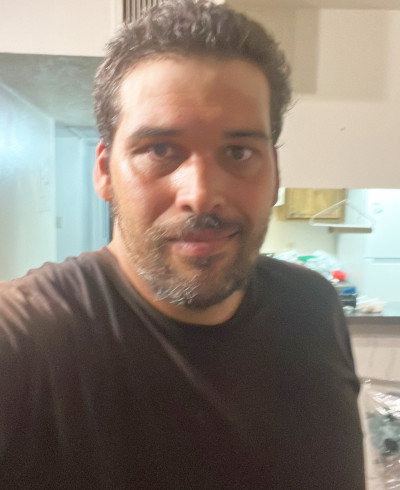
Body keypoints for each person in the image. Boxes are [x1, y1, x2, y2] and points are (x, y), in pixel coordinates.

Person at [0, 0, 364, 488]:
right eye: (160, 149)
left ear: (275, 172)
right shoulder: (26, 341)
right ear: (104, 171)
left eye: (239, 151)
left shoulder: (314, 307)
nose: (201, 194)